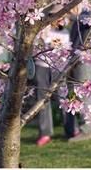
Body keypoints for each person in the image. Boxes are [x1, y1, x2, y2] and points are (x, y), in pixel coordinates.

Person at [34, 15, 72, 147]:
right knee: (42, 100)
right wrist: (41, 36)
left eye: (62, 17)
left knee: (64, 98)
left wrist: (47, 39)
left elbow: (61, 47)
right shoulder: (39, 29)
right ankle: (45, 133)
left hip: (58, 67)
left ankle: (71, 130)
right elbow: (34, 46)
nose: (60, 19)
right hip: (41, 66)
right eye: (57, 16)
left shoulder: (64, 32)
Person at [64, 9, 91, 142]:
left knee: (85, 95)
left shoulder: (85, 15)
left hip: (83, 61)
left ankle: (86, 130)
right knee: (83, 94)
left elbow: (88, 24)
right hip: (79, 60)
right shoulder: (77, 20)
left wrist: (74, 58)